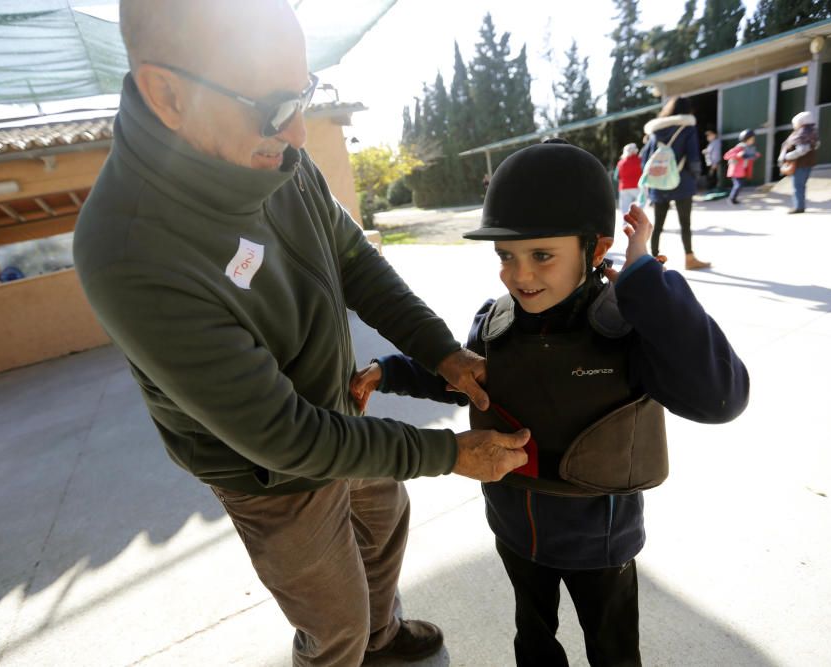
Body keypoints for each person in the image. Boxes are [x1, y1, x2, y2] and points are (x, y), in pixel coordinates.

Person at [73, 2, 530, 665]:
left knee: (383, 525)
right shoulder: (128, 247)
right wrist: (448, 453)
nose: (294, 131)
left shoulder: (274, 152)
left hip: (340, 408)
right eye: (271, 107)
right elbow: (283, 438)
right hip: (271, 474)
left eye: (302, 95)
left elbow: (353, 260)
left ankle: (384, 639)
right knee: (333, 619)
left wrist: (442, 351)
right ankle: (351, 645)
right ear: (165, 92)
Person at [350, 141, 750, 667]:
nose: (520, 276)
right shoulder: (496, 322)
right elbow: (461, 380)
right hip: (516, 529)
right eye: (505, 257)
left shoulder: (629, 326)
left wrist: (645, 284)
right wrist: (390, 372)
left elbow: (718, 397)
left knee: (613, 650)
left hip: (600, 543)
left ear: (596, 246)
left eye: (542, 255)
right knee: (533, 641)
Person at [641, 96, 710, 270]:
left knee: (657, 225)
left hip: (659, 182)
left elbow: (645, 159)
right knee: (685, 223)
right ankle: (689, 258)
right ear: (687, 110)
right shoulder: (687, 128)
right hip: (682, 180)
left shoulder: (655, 131)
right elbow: (693, 156)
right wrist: (695, 177)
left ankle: (655, 260)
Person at [778, 111, 820, 214]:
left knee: (798, 186)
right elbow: (817, 144)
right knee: (801, 185)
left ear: (801, 122)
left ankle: (798, 207)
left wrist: (788, 156)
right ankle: (799, 205)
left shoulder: (802, 132)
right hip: (807, 163)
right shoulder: (812, 131)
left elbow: (802, 150)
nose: (794, 125)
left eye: (795, 123)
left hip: (800, 164)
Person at [724, 129, 762, 205]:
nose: (752, 141)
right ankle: (731, 199)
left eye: (753, 139)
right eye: (751, 139)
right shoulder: (739, 147)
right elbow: (726, 156)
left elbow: (754, 156)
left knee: (740, 185)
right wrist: (738, 155)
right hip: (735, 171)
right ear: (745, 139)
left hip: (742, 171)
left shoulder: (750, 148)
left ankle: (733, 199)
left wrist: (756, 155)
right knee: (738, 185)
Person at [615, 142, 642, 214]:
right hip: (637, 187)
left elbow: (616, 177)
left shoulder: (620, 162)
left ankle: (625, 224)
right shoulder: (640, 160)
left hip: (624, 187)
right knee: (640, 206)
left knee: (624, 208)